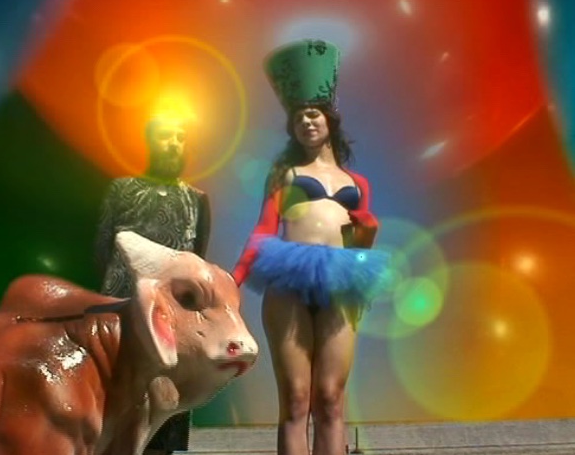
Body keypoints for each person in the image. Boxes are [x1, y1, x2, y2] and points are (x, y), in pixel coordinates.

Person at [232, 39, 390, 455]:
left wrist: (369, 232)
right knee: (297, 399)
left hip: (341, 279)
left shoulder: (358, 183)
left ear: (329, 120)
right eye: (299, 116)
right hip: (289, 277)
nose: (306, 121)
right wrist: (233, 281)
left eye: (313, 113)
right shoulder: (284, 173)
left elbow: (360, 244)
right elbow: (263, 229)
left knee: (331, 398)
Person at [95, 110, 210, 455]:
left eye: (180, 137)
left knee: (163, 405)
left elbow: (197, 258)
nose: (173, 143)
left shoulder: (196, 199)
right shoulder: (122, 189)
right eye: (165, 135)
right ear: (149, 140)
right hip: (121, 313)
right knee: (115, 406)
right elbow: (101, 248)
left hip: (171, 322)